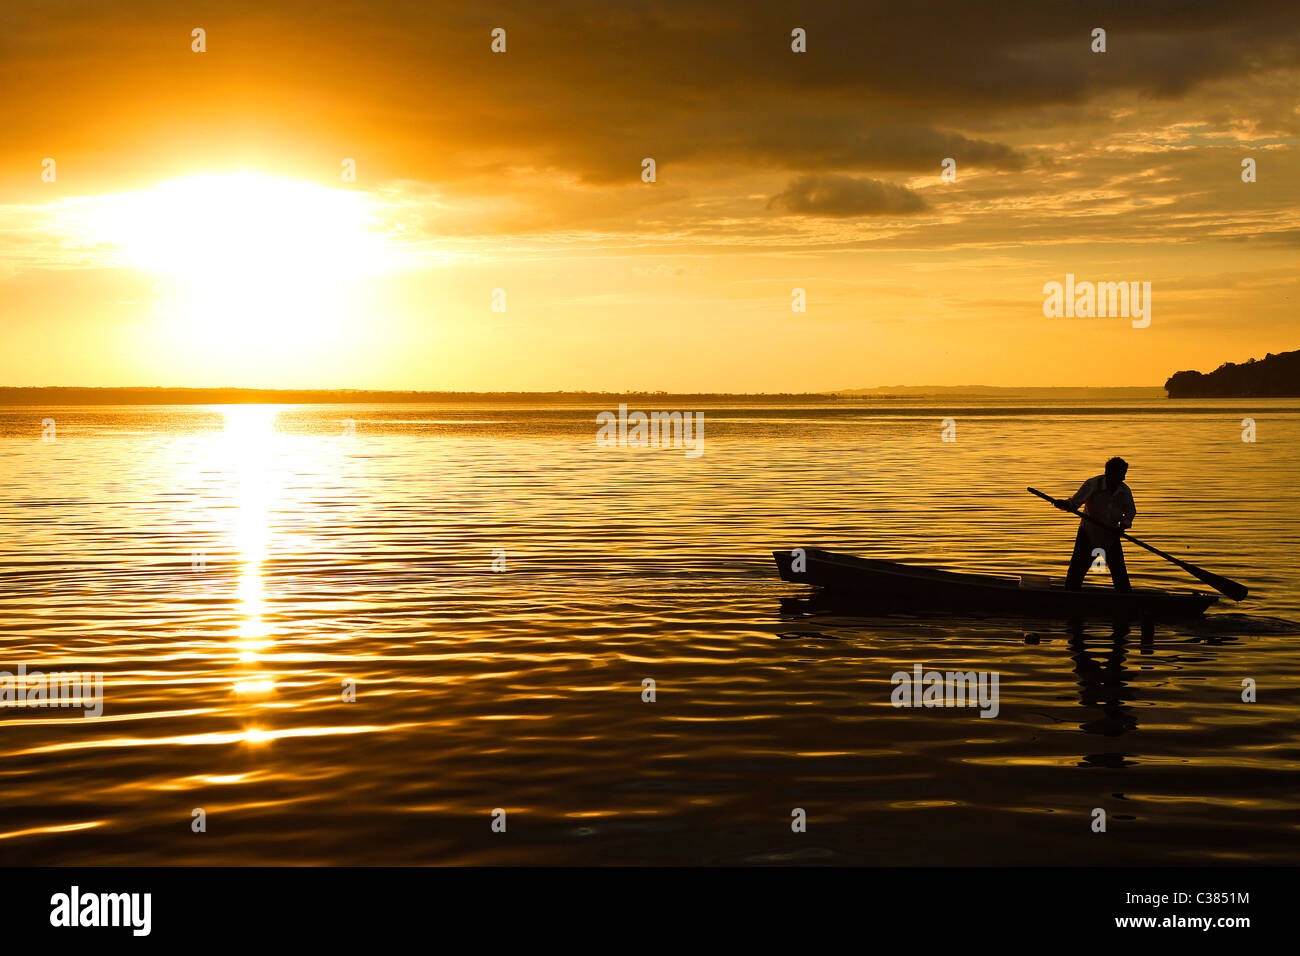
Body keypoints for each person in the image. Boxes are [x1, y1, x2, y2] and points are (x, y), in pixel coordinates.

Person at [1054, 457, 1136, 591]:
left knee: (1119, 573)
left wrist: (1123, 526)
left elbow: (1131, 511)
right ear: (1109, 473)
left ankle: (1126, 600)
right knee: (1076, 571)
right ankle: (1069, 598)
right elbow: (1074, 504)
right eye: (1121, 475)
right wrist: (1063, 505)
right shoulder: (1093, 484)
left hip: (1111, 535)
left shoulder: (1124, 490)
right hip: (1088, 534)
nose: (1123, 479)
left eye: (1124, 474)